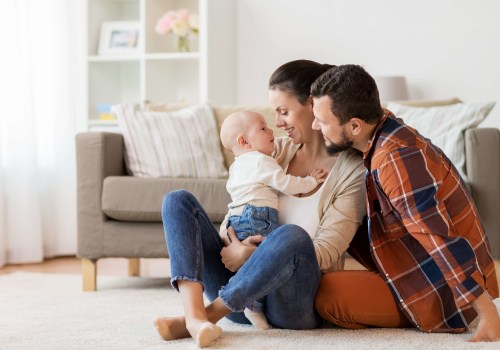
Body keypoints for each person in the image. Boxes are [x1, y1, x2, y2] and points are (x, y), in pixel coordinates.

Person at [153, 60, 366, 348]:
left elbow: (327, 253)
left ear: (314, 105)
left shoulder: (352, 171)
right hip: (243, 299)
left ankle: (211, 314)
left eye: (283, 112)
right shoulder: (273, 148)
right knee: (177, 201)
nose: (277, 123)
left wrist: (253, 256)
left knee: (291, 235)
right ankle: (193, 318)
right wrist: (234, 242)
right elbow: (241, 203)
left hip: (292, 305)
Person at [310, 64, 500, 342]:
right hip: (417, 267)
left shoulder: (394, 159)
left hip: (442, 293)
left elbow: (436, 236)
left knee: (326, 296)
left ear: (354, 125)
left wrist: (487, 312)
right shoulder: (384, 131)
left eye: (322, 121)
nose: (315, 126)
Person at [220, 110, 327, 329]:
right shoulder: (260, 161)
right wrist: (309, 182)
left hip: (236, 219)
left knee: (255, 262)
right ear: (244, 141)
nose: (272, 130)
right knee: (270, 260)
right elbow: (285, 183)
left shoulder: (236, 166)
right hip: (258, 218)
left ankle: (241, 287)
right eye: (263, 128)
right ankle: (250, 301)